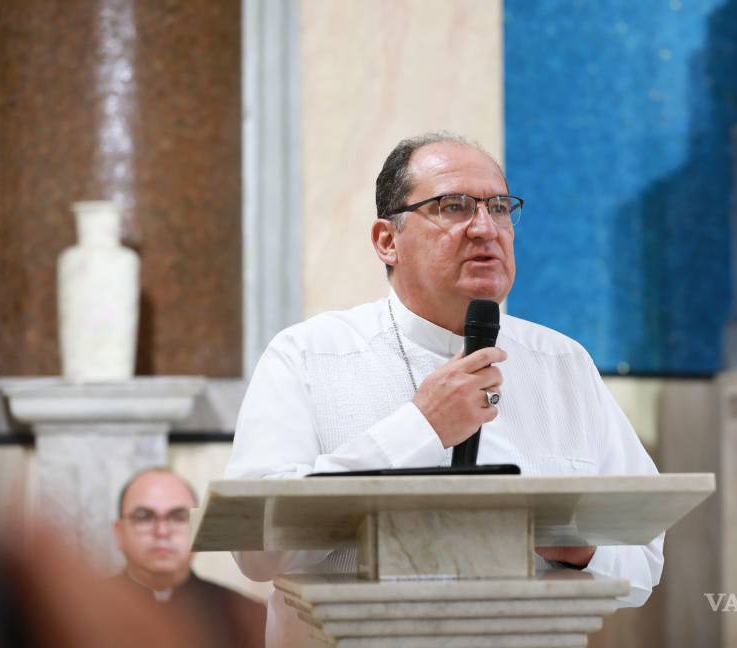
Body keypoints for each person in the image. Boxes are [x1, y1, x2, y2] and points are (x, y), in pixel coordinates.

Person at [226, 132, 664, 645]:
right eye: (453, 207)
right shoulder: (307, 355)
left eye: (499, 208)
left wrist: (580, 548)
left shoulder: (563, 363)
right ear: (387, 240)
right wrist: (420, 427)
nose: (485, 228)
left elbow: (645, 558)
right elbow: (256, 551)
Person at [111, 468, 266, 648]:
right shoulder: (79, 615)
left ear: (199, 529)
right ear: (119, 533)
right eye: (144, 517)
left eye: (179, 516)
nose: (162, 531)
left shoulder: (246, 616)